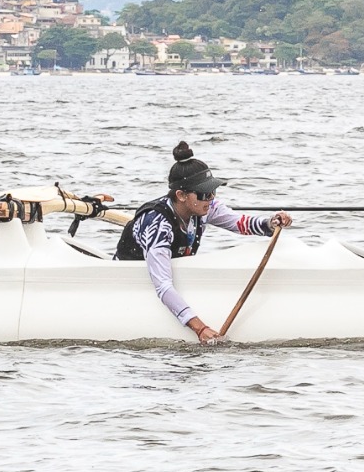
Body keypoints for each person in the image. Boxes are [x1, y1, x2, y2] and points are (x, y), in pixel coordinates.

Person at [114, 142, 294, 342]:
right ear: (181, 195)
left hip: (167, 275)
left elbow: (240, 223)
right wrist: (199, 328)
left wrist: (271, 223)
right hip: (129, 280)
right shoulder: (158, 225)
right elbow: (163, 285)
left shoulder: (205, 207)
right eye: (204, 193)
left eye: (212, 192)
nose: (210, 198)